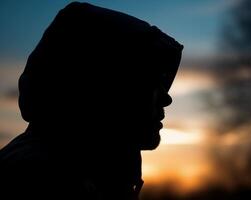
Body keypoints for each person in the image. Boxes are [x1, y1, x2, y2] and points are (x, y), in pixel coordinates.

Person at [0, 2, 183, 200]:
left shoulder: (93, 174)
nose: (166, 98)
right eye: (150, 82)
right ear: (103, 87)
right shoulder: (39, 179)